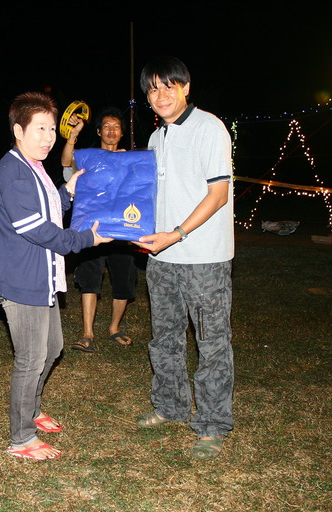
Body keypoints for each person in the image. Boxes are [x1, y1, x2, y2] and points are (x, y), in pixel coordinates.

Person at [0, 92, 111, 461]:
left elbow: (48, 207)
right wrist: (86, 239)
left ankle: (32, 410)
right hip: (21, 278)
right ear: (18, 130)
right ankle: (21, 439)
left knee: (52, 349)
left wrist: (67, 191)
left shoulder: (32, 165)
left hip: (41, 275)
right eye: (39, 128)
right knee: (30, 359)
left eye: (52, 129)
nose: (48, 137)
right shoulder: (14, 172)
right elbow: (41, 230)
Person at [132, 57, 234, 460]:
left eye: (168, 86)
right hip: (161, 259)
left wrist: (176, 233)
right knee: (165, 339)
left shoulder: (209, 128)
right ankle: (170, 406)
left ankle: (212, 425)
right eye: (153, 89)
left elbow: (218, 195)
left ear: (186, 87)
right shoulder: (156, 137)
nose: (160, 95)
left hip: (203, 258)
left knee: (211, 343)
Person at [60, 107, 138, 352]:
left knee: (123, 279)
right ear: (98, 131)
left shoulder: (130, 161)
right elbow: (66, 163)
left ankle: (114, 328)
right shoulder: (89, 158)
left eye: (116, 127)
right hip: (92, 230)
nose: (111, 131)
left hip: (122, 230)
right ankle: (87, 333)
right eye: (106, 126)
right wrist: (73, 135)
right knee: (90, 278)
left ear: (122, 133)